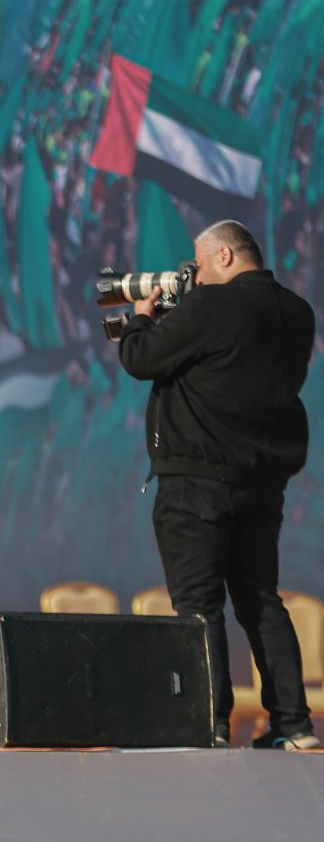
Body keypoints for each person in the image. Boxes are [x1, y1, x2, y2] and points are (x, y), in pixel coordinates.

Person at [117, 219, 318, 751]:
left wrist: (142, 319)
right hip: (261, 483)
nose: (197, 278)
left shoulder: (210, 307)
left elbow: (141, 359)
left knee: (198, 607)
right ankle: (294, 725)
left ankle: (209, 724)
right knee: (260, 602)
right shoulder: (297, 313)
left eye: (201, 267)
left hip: (195, 482)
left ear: (226, 257)